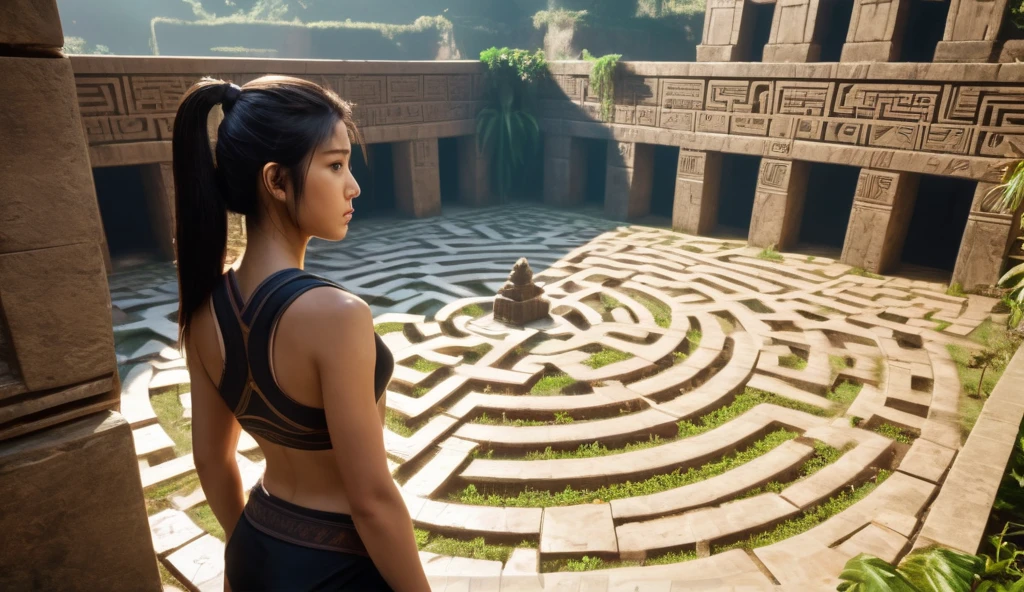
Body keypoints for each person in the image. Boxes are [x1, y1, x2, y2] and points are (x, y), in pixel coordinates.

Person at [172, 75, 430, 592]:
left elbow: (210, 459)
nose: (353, 185)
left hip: (255, 547)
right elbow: (372, 500)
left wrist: (252, 549)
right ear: (276, 180)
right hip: (339, 562)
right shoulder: (337, 315)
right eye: (335, 166)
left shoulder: (204, 309)